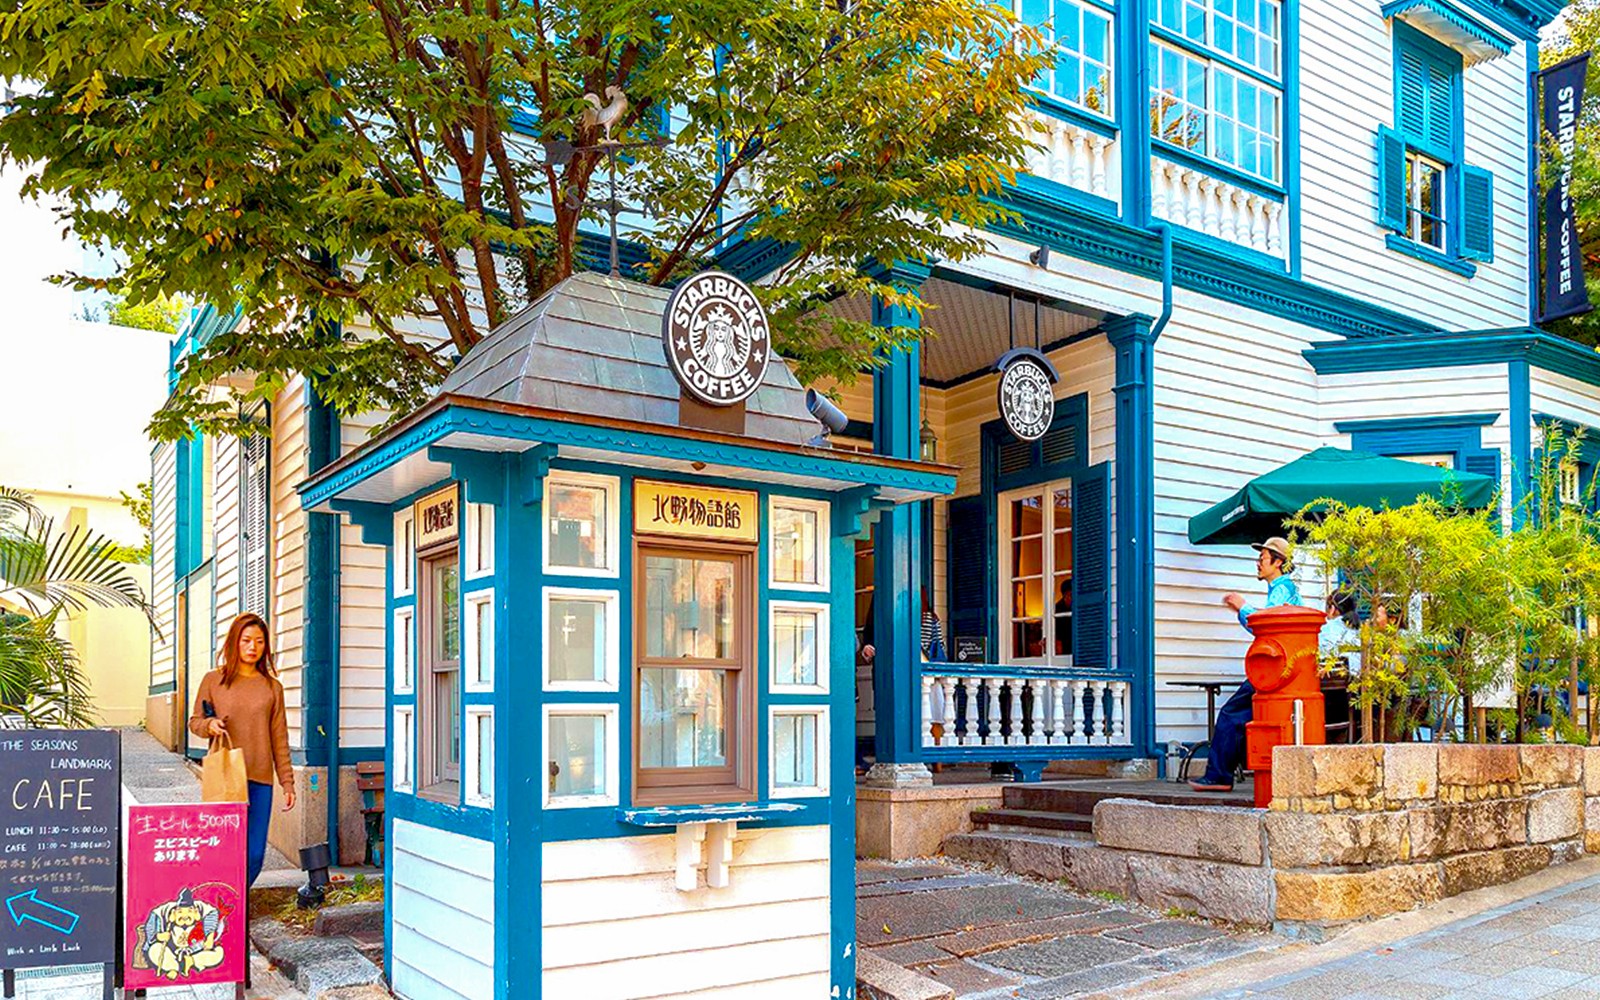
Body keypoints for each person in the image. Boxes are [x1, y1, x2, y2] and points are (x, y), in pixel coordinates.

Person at [189, 613, 296, 885]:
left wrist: (287, 782)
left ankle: (234, 903)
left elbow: (279, 737)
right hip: (224, 775)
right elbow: (194, 722)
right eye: (246, 640)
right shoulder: (214, 680)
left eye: (259, 642)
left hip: (260, 778)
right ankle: (224, 910)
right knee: (222, 850)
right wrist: (210, 725)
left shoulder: (273, 688)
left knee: (255, 854)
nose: (253, 647)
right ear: (234, 642)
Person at [1190, 537, 1301, 792]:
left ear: (1278, 562)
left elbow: (1265, 624)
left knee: (1230, 714)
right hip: (1280, 669)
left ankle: (1219, 776)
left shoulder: (1283, 588)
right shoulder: (1283, 589)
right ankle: (1225, 771)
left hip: (1273, 670)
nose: (1258, 563)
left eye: (1262, 558)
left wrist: (1242, 606)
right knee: (1241, 716)